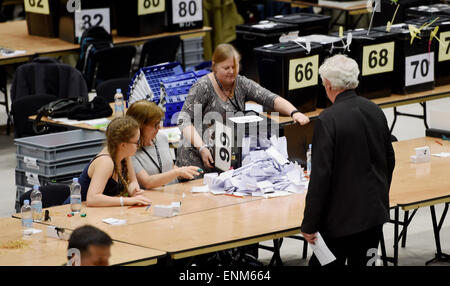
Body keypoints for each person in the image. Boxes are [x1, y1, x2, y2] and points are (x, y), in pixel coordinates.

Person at [301, 54, 396, 266]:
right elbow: (389, 159)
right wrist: (380, 196)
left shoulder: (328, 120)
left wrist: (309, 224)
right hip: (374, 215)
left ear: (328, 84)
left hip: (340, 222)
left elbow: (321, 178)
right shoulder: (375, 110)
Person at [176, 43, 310, 172]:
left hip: (224, 157)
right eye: (226, 68)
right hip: (195, 159)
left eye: (235, 66)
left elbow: (270, 98)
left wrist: (294, 112)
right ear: (214, 66)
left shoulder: (241, 83)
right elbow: (183, 119)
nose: (231, 72)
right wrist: (202, 147)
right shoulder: (202, 86)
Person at [66, 116, 152, 207]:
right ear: (123, 145)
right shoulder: (105, 162)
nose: (139, 146)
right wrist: (128, 200)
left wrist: (134, 191)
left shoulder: (124, 155)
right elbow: (92, 199)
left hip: (97, 212)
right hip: (74, 211)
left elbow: (132, 182)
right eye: (137, 142)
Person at [126, 100, 202, 189]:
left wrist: (184, 171)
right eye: (155, 125)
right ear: (140, 126)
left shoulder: (161, 138)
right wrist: (177, 172)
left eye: (159, 123)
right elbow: (147, 182)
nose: (159, 127)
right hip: (153, 199)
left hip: (173, 193)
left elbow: (169, 166)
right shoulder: (130, 150)